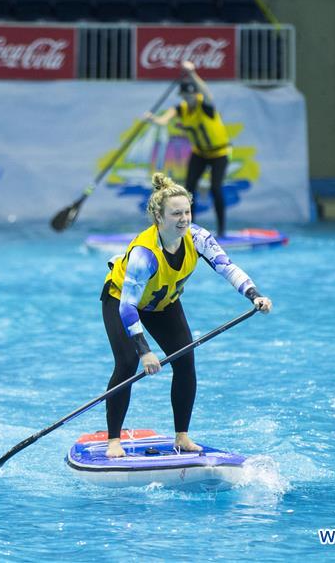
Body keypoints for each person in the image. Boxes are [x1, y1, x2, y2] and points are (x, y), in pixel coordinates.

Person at [101, 173, 271, 458]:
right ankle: (113, 440)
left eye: (187, 212)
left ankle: (182, 436)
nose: (184, 219)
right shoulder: (145, 254)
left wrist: (255, 295)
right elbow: (128, 307)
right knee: (127, 362)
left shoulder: (198, 238)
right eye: (176, 213)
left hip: (163, 303)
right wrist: (145, 351)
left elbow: (227, 267)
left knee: (185, 359)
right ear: (158, 216)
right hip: (122, 301)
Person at [144, 60, 232, 238]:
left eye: (191, 96)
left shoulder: (205, 106)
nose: (188, 99)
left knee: (216, 188)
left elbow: (208, 93)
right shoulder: (181, 109)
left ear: (196, 94)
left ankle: (222, 229)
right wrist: (153, 119)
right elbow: (163, 121)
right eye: (185, 96)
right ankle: (189, 230)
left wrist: (192, 73)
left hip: (219, 153)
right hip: (200, 153)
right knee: (188, 190)